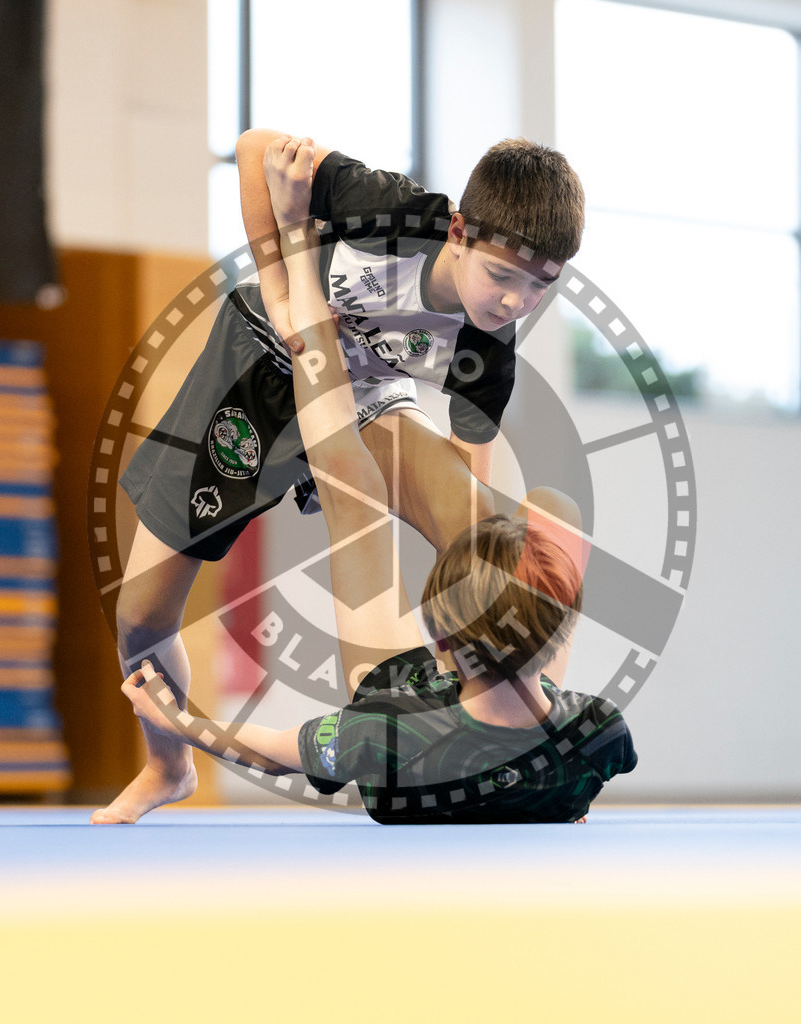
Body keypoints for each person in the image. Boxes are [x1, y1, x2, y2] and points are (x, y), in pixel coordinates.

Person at [120, 138, 636, 825]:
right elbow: (253, 149)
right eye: (503, 276)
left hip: (363, 399)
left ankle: (514, 741)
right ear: (457, 231)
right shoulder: (390, 209)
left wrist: (471, 598)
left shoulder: (489, 350)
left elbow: (469, 485)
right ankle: (166, 765)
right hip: (256, 375)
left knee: (490, 532)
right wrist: (279, 282)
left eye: (540, 286)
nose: (517, 301)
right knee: (141, 615)